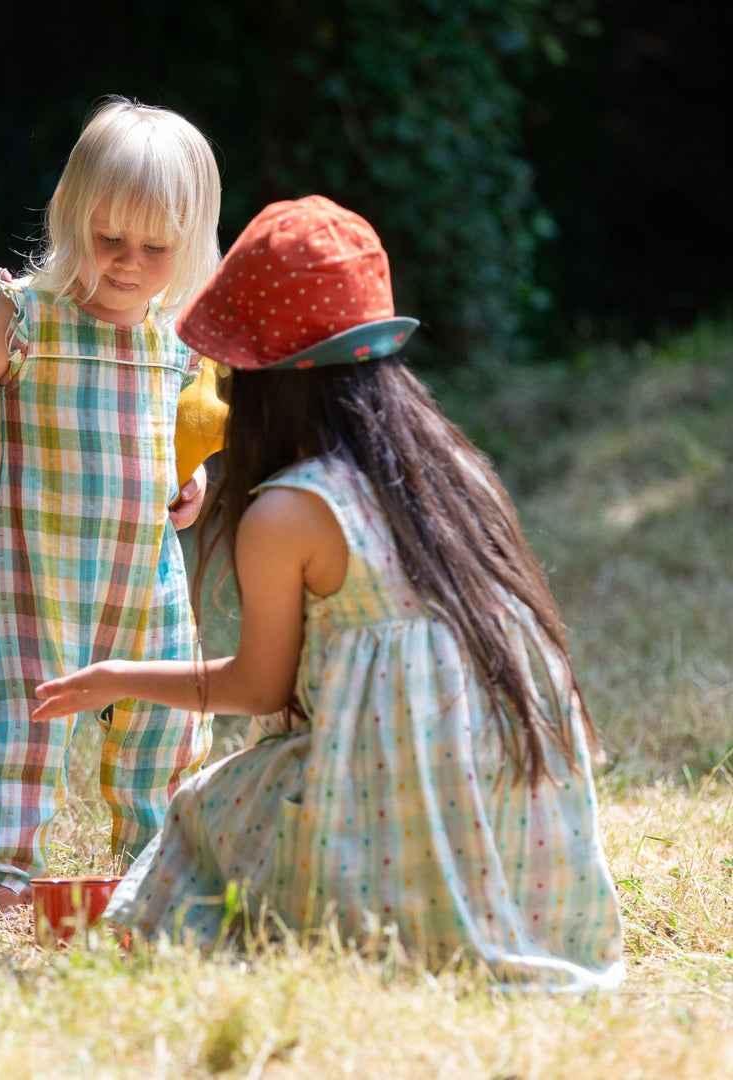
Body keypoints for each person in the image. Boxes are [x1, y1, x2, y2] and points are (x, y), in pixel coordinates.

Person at [32, 195, 625, 990]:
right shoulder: (456, 470)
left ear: (263, 380)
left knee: (205, 809)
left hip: (389, 809)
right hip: (522, 828)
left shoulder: (289, 511)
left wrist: (114, 678)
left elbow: (256, 687)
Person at [0, 97, 221, 917]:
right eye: (107, 237)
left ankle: (156, 868)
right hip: (38, 578)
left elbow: (185, 438)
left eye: (154, 247)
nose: (126, 262)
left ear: (189, 245)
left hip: (146, 583)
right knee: (25, 721)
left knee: (163, 728)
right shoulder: (22, 317)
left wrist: (190, 484)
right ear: (70, 214)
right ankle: (5, 873)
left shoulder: (179, 338)